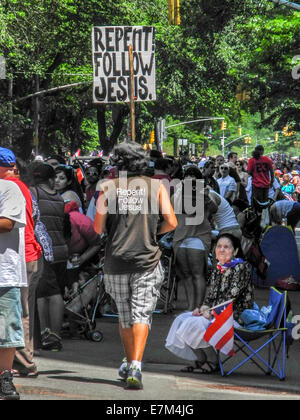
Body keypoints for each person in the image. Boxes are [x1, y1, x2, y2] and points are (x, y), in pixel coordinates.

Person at [94, 142, 177, 390]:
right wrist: (153, 233)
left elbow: (98, 228)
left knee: (125, 315)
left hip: (116, 259)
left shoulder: (107, 187)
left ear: (119, 162)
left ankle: (130, 362)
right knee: (142, 314)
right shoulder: (156, 187)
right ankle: (135, 367)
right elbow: (171, 222)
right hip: (147, 259)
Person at [165, 234, 254, 373]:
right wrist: (202, 308)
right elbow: (211, 297)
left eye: (226, 247)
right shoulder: (218, 268)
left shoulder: (241, 267)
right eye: (219, 246)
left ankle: (213, 361)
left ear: (235, 251)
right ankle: (201, 358)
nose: (222, 250)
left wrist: (210, 312)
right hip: (217, 312)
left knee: (197, 324)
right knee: (182, 319)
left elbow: (232, 297)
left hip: (235, 315)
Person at [2, 157, 43, 378]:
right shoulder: (21, 187)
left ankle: (24, 362)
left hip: (21, 256)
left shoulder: (13, 187)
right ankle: (23, 361)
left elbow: (8, 223)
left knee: (18, 312)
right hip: (26, 254)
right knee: (19, 311)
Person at [29, 162, 69, 351]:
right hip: (61, 250)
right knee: (54, 291)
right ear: (51, 179)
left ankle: (50, 334)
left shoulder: (34, 194)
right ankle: (52, 334)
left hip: (45, 251)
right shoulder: (59, 198)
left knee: (47, 294)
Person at [0, 148, 27, 400]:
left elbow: (7, 222)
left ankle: (5, 379)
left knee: (5, 330)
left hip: (4, 274)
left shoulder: (10, 189)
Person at [172, 166, 218, 311]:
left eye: (193, 176)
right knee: (185, 275)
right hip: (180, 236)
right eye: (187, 175)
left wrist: (205, 195)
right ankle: (190, 306)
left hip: (198, 236)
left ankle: (198, 307)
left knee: (198, 273)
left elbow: (215, 209)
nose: (190, 178)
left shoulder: (205, 192)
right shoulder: (178, 192)